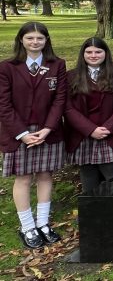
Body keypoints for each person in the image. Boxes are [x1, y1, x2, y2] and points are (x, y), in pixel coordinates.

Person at [0, 22, 67, 248]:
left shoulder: (57, 64)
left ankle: (43, 223)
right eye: (30, 38)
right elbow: (4, 105)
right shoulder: (7, 67)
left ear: (46, 40)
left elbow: (60, 99)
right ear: (21, 40)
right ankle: (27, 226)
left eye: (40, 38)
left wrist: (47, 129)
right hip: (18, 132)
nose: (35, 42)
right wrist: (22, 134)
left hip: (48, 130)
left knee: (45, 175)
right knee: (24, 178)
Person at [65, 38, 113, 194]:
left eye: (98, 52)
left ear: (105, 53)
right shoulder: (71, 76)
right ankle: (91, 207)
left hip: (109, 134)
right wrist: (90, 129)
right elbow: (67, 108)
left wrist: (108, 127)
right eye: (89, 52)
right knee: (88, 177)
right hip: (82, 135)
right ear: (83, 54)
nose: (93, 55)